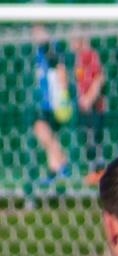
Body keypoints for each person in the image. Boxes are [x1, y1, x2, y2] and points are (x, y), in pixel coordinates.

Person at [29, 24, 73, 189]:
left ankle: (62, 162)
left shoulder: (49, 49)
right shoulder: (40, 51)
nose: (35, 35)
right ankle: (54, 170)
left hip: (54, 102)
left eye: (38, 32)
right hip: (47, 102)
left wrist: (62, 96)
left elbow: (60, 69)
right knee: (47, 134)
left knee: (40, 127)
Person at [71, 32, 109, 185]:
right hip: (85, 107)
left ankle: (100, 172)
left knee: (95, 139)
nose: (71, 45)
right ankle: (94, 172)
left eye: (73, 41)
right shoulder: (78, 58)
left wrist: (88, 98)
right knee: (89, 138)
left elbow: (99, 78)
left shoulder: (90, 55)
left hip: (94, 106)